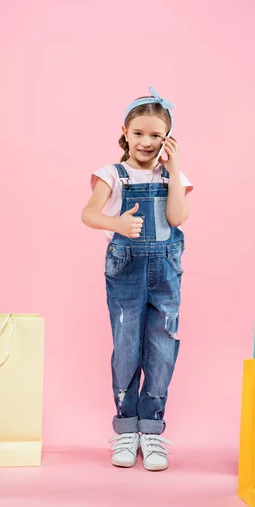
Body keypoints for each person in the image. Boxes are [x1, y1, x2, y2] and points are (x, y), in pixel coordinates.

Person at [81, 87, 193, 470]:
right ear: (125, 131)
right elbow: (89, 214)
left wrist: (175, 171)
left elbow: (177, 218)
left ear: (168, 139)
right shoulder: (112, 174)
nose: (147, 142)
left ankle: (153, 429)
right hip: (126, 269)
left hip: (165, 271)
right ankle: (127, 427)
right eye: (140, 133)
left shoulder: (171, 176)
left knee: (162, 347)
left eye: (156, 135)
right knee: (127, 346)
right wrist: (118, 224)